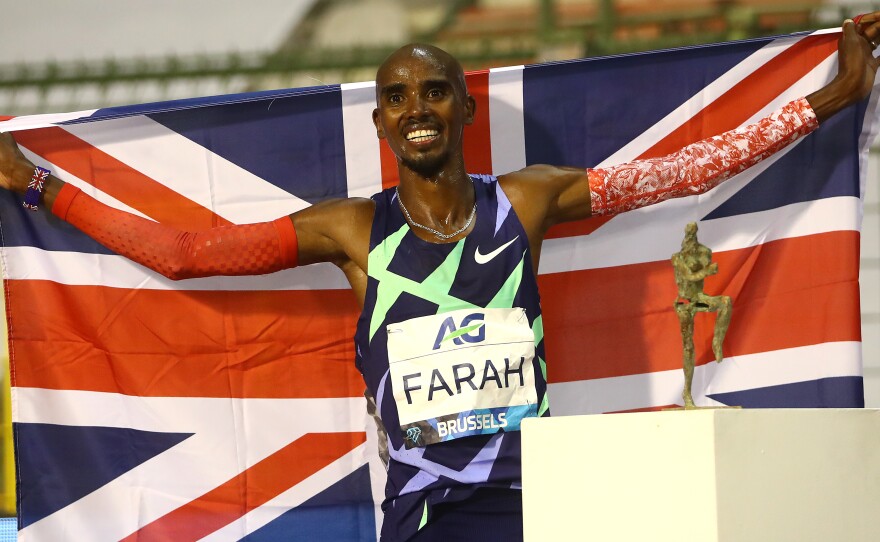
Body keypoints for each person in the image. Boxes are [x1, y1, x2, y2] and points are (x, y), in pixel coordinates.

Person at [1, 15, 879, 542]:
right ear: (380, 121)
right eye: (397, 96)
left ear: (463, 105)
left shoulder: (528, 200)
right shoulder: (352, 229)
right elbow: (190, 256)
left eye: (433, 90)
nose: (415, 107)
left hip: (541, 497)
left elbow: (684, 170)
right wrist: (42, 188)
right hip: (422, 515)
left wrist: (829, 100)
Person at [672, 222, 732, 409]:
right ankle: (687, 392)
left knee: (726, 302)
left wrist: (706, 264)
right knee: (688, 347)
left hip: (699, 297)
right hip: (685, 303)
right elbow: (689, 276)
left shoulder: (704, 251)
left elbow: (707, 264)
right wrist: (707, 271)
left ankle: (717, 341)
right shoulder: (677, 258)